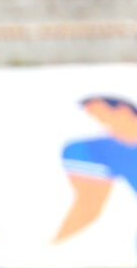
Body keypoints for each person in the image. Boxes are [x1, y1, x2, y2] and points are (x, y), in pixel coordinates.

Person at [53, 96, 137, 243]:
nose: (103, 124)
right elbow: (88, 206)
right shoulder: (96, 149)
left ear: (124, 110)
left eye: (102, 116)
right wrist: (51, 246)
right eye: (96, 118)